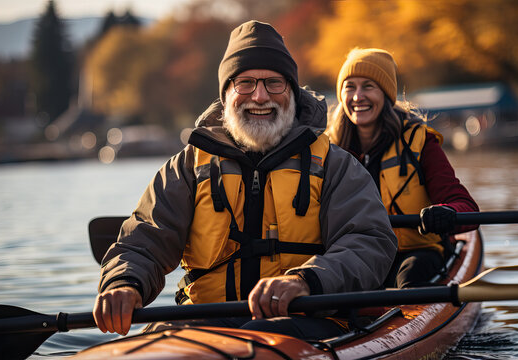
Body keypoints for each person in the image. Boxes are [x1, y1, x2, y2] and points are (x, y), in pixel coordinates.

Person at [93, 22, 397, 340]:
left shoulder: (335, 165)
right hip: (202, 323)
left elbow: (369, 242)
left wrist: (306, 281)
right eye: (246, 83)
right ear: (226, 94)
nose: (260, 96)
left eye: (274, 84)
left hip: (304, 325)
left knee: (265, 331)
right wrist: (122, 282)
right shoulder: (188, 165)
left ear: (292, 92)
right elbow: (144, 240)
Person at [327, 48, 479, 289]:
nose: (357, 97)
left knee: (411, 275)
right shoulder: (329, 151)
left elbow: (466, 207)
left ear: (386, 94)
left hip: (416, 252)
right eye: (350, 87)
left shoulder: (420, 143)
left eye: (368, 86)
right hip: (356, 256)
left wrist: (444, 212)